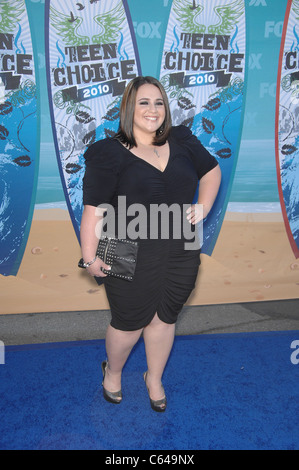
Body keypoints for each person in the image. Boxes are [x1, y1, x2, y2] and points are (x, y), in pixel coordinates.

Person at [80, 76, 221, 412]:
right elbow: (94, 210)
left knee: (165, 318)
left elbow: (212, 171)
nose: (152, 109)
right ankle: (112, 373)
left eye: (158, 102)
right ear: (129, 106)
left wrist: (202, 206)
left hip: (180, 249)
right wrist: (88, 257)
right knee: (128, 323)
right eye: (144, 102)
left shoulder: (182, 139)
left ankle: (153, 378)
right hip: (125, 248)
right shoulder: (107, 152)